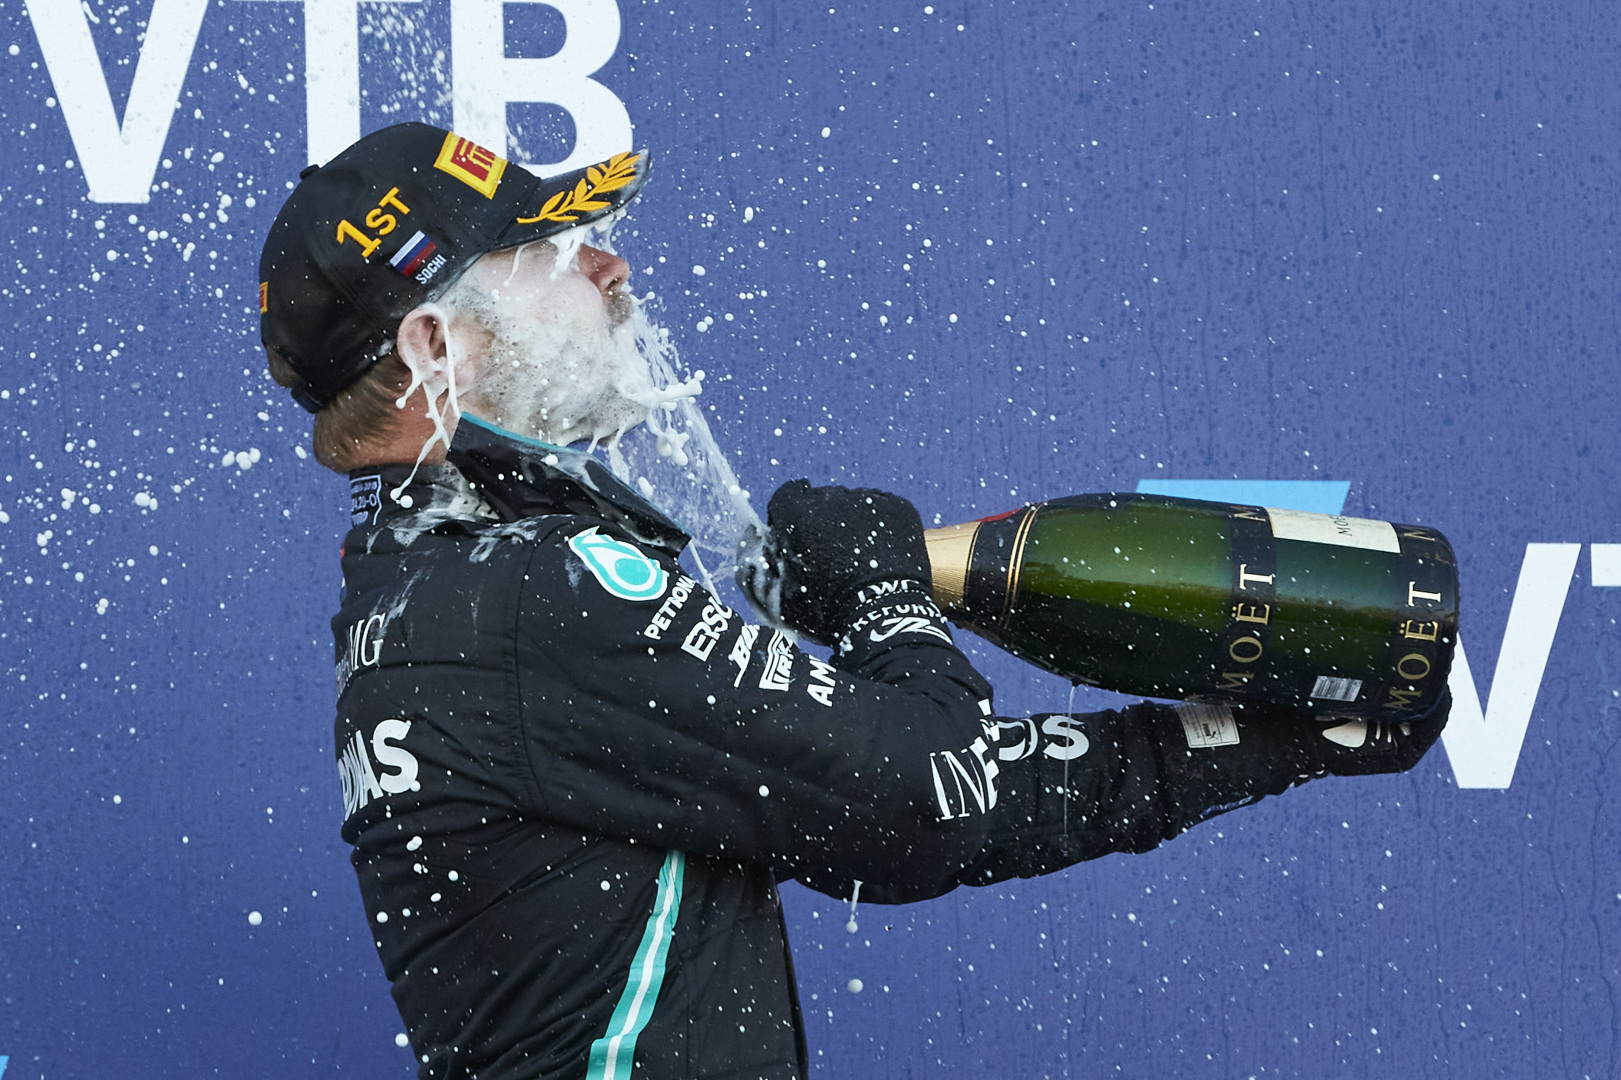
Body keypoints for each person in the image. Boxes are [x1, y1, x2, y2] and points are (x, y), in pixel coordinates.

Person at [258, 122, 1450, 1080]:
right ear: (433, 346)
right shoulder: (525, 597)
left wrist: (1269, 735)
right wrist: (883, 594)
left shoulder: (446, 590)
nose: (609, 268)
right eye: (551, 254)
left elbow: (939, 793)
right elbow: (928, 797)